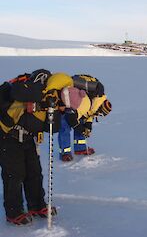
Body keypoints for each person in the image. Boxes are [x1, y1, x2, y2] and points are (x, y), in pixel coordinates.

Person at [0, 70, 73, 225]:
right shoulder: (27, 88)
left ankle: (37, 205)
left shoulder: (53, 99)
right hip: (8, 137)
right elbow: (18, 94)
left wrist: (56, 111)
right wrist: (42, 102)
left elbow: (51, 128)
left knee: (34, 173)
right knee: (14, 175)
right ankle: (14, 212)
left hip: (28, 139)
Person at [58, 80, 112, 162]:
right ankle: (64, 153)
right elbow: (71, 118)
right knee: (65, 127)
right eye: (101, 114)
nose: (99, 115)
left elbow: (90, 114)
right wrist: (79, 128)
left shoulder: (96, 103)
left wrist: (88, 126)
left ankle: (80, 148)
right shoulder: (88, 104)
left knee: (82, 123)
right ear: (101, 108)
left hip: (76, 108)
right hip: (66, 105)